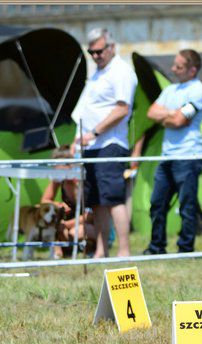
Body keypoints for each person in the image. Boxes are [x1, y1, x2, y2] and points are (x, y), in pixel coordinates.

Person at [71, 27, 137, 258]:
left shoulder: (121, 71)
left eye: (99, 51)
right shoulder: (98, 73)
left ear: (111, 47)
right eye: (91, 52)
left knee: (113, 198)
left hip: (111, 144)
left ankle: (124, 251)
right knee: (96, 201)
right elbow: (86, 110)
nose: (95, 56)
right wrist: (77, 140)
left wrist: (95, 133)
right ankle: (102, 249)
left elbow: (122, 108)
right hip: (91, 146)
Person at [143, 49, 202, 255]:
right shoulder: (170, 90)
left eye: (178, 66)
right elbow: (150, 112)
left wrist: (169, 116)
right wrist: (172, 114)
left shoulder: (199, 91)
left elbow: (180, 121)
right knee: (156, 203)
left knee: (187, 207)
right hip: (167, 156)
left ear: (192, 70)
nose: (173, 69)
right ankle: (156, 247)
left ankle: (185, 248)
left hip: (188, 156)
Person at [40, 145, 96, 257]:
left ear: (70, 166)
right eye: (55, 169)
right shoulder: (58, 179)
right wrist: (60, 205)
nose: (57, 173)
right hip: (69, 224)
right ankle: (59, 251)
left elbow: (90, 215)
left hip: (86, 223)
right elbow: (44, 201)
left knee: (74, 232)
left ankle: (90, 246)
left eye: (59, 169)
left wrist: (66, 224)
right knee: (42, 213)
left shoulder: (81, 182)